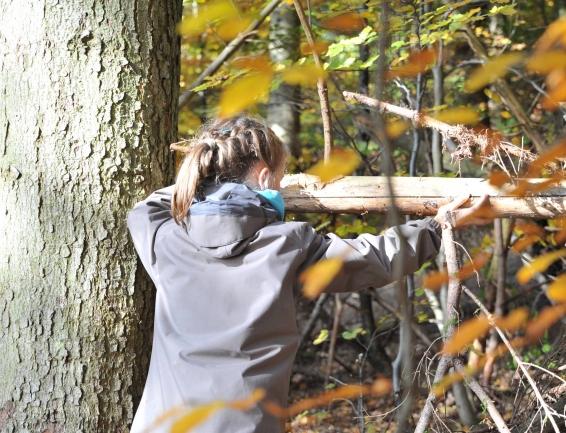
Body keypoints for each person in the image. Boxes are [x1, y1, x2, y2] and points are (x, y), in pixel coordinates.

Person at [127, 115, 489, 432]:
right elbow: (373, 256)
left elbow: (148, 207)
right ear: (265, 177)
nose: (283, 189)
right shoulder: (288, 246)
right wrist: (434, 228)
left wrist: (207, 183)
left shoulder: (166, 239)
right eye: (281, 180)